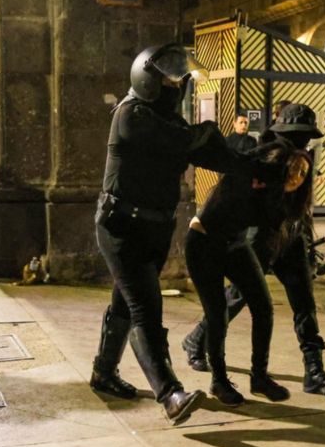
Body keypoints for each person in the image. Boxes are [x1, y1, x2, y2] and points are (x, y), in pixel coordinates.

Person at [91, 43, 245, 425]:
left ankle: (103, 373)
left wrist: (257, 166)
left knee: (127, 303)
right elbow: (186, 143)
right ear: (147, 79)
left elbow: (210, 154)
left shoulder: (170, 122)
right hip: (122, 228)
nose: (177, 87)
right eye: (169, 80)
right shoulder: (131, 115)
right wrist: (208, 131)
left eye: (181, 80)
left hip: (156, 227)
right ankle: (170, 393)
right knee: (145, 307)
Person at [182, 104, 325, 397]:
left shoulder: (302, 159)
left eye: (306, 137)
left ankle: (314, 371)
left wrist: (304, 241)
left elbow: (299, 210)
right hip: (261, 237)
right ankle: (197, 339)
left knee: (304, 303)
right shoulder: (266, 159)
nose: (302, 143)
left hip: (291, 237)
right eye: (296, 136)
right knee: (237, 297)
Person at [185, 144, 313, 406]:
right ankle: (219, 382)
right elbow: (242, 161)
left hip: (236, 244)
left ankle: (259, 378)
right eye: (295, 168)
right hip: (204, 242)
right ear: (281, 164)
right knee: (217, 314)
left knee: (263, 307)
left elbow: (271, 227)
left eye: (304, 173)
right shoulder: (251, 174)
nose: (298, 176)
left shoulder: (280, 197)